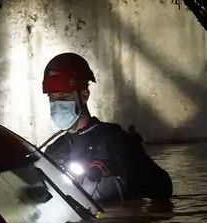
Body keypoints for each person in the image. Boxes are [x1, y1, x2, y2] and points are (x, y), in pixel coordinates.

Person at [41, 52, 172, 204]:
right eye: (52, 98)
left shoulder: (116, 140)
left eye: (64, 98)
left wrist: (121, 170)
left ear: (84, 96)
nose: (57, 105)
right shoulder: (54, 150)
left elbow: (164, 189)